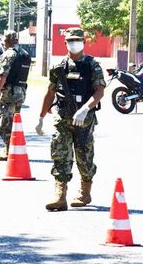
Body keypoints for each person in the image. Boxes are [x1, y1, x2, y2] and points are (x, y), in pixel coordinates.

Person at [35, 27, 105, 211]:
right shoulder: (58, 67)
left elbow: (99, 91)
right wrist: (41, 117)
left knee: (84, 156)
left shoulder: (92, 65)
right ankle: (60, 196)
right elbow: (50, 92)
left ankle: (85, 192)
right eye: (70, 40)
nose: (74, 43)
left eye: (77, 40)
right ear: (65, 43)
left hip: (84, 119)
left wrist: (85, 109)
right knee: (60, 155)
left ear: (83, 42)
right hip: (62, 118)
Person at [0, 30, 31, 161]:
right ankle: (13, 149)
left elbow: (3, 76)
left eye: (4, 41)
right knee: (16, 122)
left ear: (7, 41)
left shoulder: (8, 54)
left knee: (5, 122)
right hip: (21, 92)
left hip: (9, 93)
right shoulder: (24, 54)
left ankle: (9, 151)